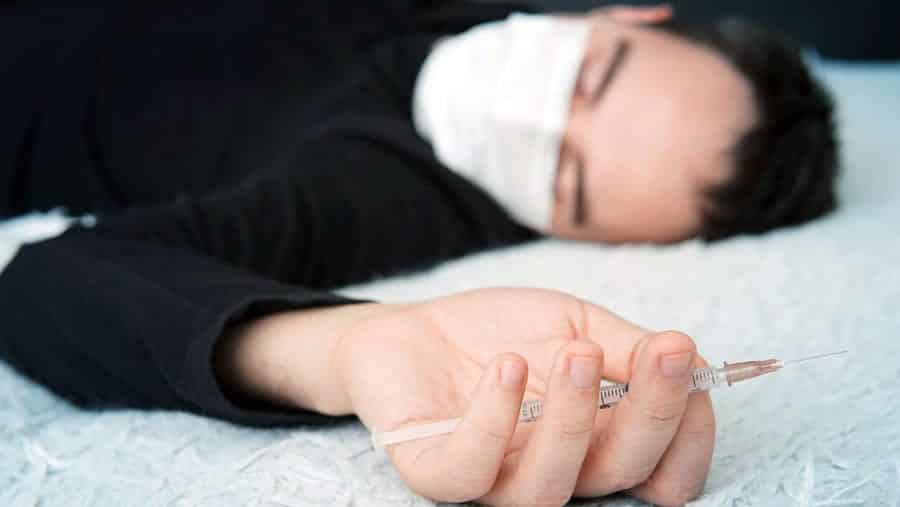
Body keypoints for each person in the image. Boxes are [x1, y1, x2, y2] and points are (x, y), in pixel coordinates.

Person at [0, 1, 837, 505]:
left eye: (568, 184)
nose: (532, 118)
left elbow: (45, 285)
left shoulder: (371, 191)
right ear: (629, 15)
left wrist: (350, 347)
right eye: (590, 76)